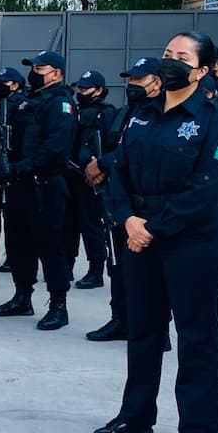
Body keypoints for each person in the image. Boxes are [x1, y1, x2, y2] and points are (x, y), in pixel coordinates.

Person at [91, 31, 218, 433]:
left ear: (202, 70)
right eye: (167, 54)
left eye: (181, 57)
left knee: (196, 337)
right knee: (143, 330)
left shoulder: (214, 119)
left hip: (192, 241)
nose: (170, 62)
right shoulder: (141, 115)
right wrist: (128, 219)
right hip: (138, 236)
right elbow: (118, 170)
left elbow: (207, 186)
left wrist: (153, 227)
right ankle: (136, 416)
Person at [0, 50, 75, 330]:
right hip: (19, 184)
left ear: (56, 74)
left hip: (45, 185)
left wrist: (21, 167)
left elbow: (55, 147)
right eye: (33, 67)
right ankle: (22, 296)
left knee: (50, 245)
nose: (34, 72)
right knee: (18, 243)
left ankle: (58, 305)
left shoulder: (60, 104)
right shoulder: (27, 101)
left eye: (40, 68)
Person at [84, 58, 162, 342]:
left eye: (139, 80)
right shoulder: (123, 113)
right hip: (118, 199)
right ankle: (121, 319)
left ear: (157, 82)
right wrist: (96, 165)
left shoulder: (161, 114)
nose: (132, 86)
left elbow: (136, 154)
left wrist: (103, 163)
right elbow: (110, 146)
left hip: (146, 207)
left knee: (150, 271)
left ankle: (156, 328)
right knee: (118, 265)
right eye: (131, 80)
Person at [65, 70, 116, 289]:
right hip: (71, 173)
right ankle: (66, 265)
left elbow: (110, 145)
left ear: (99, 90)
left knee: (91, 225)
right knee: (67, 224)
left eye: (85, 89)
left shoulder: (106, 113)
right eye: (79, 88)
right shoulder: (74, 111)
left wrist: (100, 169)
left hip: (93, 179)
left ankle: (96, 269)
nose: (80, 92)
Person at [0, 67, 26, 272]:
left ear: (15, 84)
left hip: (11, 163)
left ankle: (11, 254)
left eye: (4, 82)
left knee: (9, 212)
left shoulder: (22, 105)